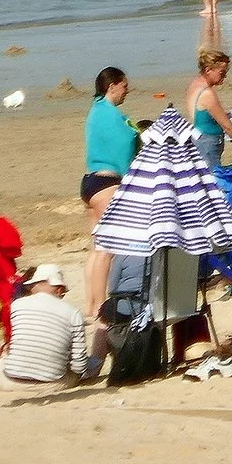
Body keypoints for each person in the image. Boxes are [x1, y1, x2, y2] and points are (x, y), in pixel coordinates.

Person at [80, 68, 134, 320]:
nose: (127, 90)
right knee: (106, 248)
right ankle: (100, 304)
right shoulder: (112, 116)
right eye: (124, 86)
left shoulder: (97, 109)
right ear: (112, 86)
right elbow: (125, 149)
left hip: (90, 182)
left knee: (96, 248)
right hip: (106, 184)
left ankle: (90, 304)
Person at [0, 263, 90, 385]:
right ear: (59, 289)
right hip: (54, 383)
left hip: (11, 381)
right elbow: (79, 366)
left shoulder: (17, 305)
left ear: (34, 285)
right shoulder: (74, 313)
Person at [183, 49, 232, 169]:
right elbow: (228, 127)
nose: (225, 76)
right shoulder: (207, 94)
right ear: (208, 70)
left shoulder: (195, 84)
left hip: (200, 137)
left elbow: (203, 114)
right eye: (222, 73)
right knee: (213, 178)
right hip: (208, 143)